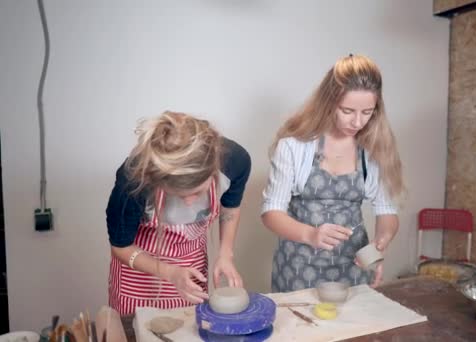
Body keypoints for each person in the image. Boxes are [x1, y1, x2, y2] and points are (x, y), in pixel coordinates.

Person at [261, 54, 405, 292]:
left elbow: (387, 211)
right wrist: (311, 234)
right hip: (299, 266)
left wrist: (382, 242)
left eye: (367, 112)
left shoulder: (373, 150)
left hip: (353, 267)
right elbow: (271, 213)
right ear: (329, 102)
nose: (357, 122)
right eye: (348, 110)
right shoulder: (294, 147)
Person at [106, 111, 251, 315]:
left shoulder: (235, 162)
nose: (191, 202)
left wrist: (226, 254)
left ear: (213, 170)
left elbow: (230, 206)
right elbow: (120, 247)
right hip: (139, 278)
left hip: (192, 264)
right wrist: (169, 272)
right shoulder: (132, 181)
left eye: (198, 192)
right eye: (179, 196)